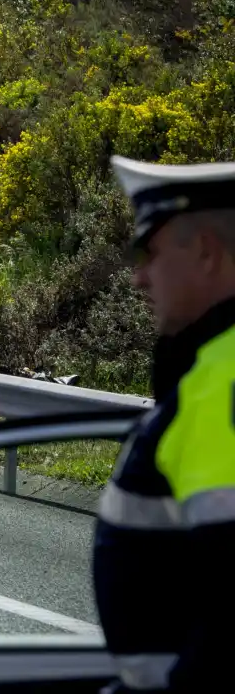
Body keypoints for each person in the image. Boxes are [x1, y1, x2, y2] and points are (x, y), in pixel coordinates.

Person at [93, 155, 235, 693]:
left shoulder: (224, 385)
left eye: (149, 252)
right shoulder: (211, 370)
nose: (138, 277)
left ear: (204, 251)